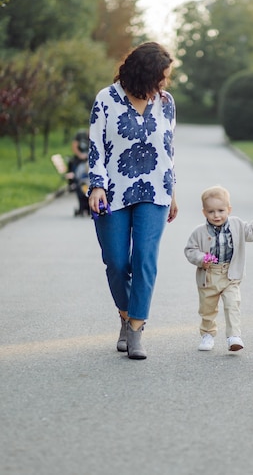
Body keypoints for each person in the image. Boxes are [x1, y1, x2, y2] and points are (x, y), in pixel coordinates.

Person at [88, 41, 178, 360]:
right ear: (144, 74)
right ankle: (125, 315)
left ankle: (137, 328)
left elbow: (168, 150)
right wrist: (97, 186)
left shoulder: (166, 102)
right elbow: (95, 145)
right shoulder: (106, 99)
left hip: (156, 191)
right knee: (116, 261)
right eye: (161, 77)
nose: (164, 84)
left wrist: (173, 192)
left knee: (144, 258)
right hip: (112, 192)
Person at [184, 185, 253, 352]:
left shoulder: (237, 225)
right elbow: (190, 250)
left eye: (221, 210)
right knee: (207, 308)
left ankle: (234, 336)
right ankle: (207, 334)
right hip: (209, 276)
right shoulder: (199, 232)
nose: (216, 215)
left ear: (229, 209)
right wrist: (201, 259)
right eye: (211, 211)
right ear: (204, 212)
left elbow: (251, 234)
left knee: (232, 304)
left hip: (230, 274)